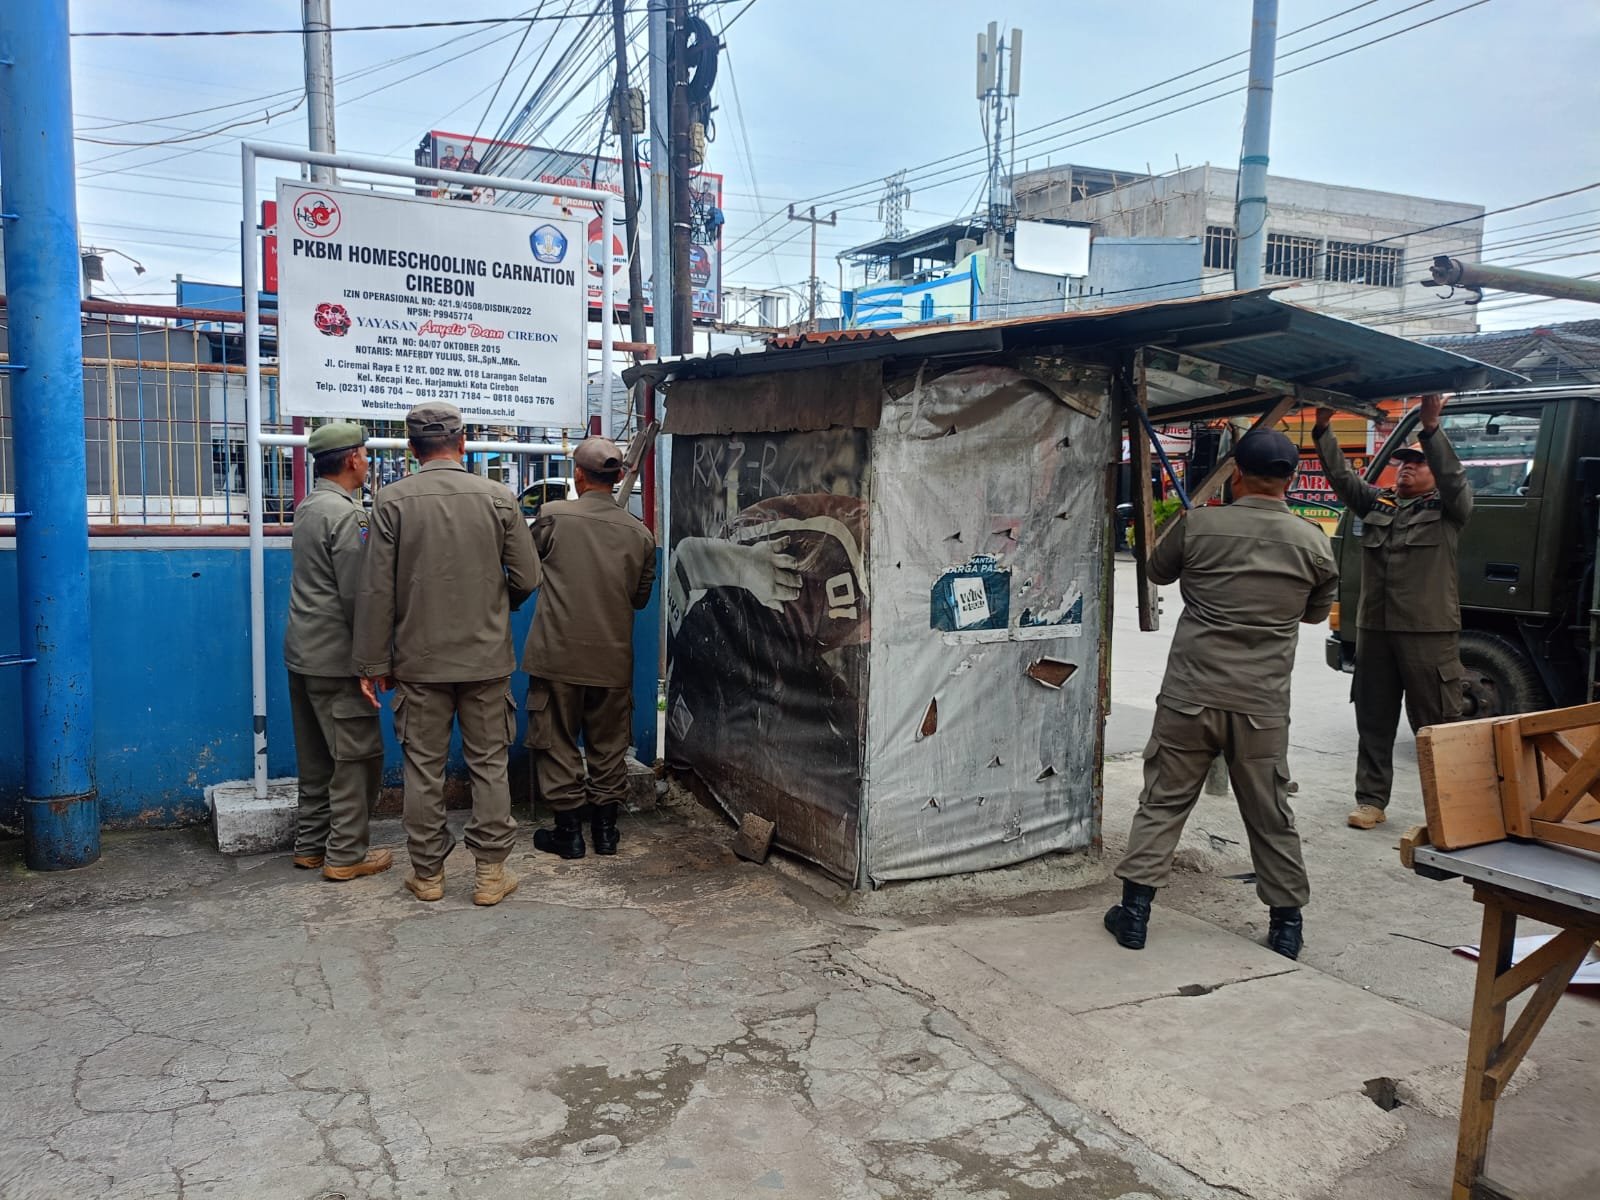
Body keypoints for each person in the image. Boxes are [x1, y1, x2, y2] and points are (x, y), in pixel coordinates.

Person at [1105, 428, 1338, 961]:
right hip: (1260, 705)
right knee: (1270, 811)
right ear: (1292, 478)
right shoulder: (1314, 542)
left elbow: (1156, 570)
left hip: (1190, 695)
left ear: (1237, 472)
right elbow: (1313, 614)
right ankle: (1286, 927)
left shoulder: (1200, 525)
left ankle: (1135, 915)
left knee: (1163, 802)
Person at [352, 403, 540, 905]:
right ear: (463, 444)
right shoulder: (498, 498)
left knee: (422, 769)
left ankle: (429, 875)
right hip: (485, 660)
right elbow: (528, 577)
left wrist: (372, 664)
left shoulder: (391, 502)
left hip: (418, 661)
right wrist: (498, 606)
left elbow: (375, 592)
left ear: (412, 450)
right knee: (489, 765)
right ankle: (490, 876)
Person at [1313, 395, 1473, 830]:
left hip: (1428, 633)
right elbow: (1343, 479)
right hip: (1376, 631)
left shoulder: (1448, 510)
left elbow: (1455, 479)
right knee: (1374, 720)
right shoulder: (1378, 505)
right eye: (1402, 462)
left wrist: (1431, 430)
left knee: (1437, 724)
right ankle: (1371, 801)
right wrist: (1323, 431)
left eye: (1416, 463)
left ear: (1433, 473)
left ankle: (1453, 808)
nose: (1405, 467)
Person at [523, 437, 657, 858]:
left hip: (557, 656)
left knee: (557, 739)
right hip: (612, 660)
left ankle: (569, 833)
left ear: (578, 475)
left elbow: (525, 568)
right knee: (609, 745)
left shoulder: (552, 516)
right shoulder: (640, 533)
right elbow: (639, 599)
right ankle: (606, 833)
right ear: (619, 477)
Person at [284, 422, 392, 882]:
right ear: (352, 460)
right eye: (365, 455)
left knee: (317, 760)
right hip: (336, 659)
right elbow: (359, 596)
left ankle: (310, 846)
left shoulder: (310, 507)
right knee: (356, 758)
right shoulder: (348, 516)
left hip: (303, 652)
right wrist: (373, 662)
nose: (367, 462)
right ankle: (345, 855)